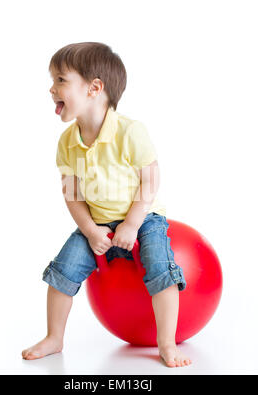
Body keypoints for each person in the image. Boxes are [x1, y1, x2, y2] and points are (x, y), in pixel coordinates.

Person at [22, 42, 191, 367]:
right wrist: (89, 229)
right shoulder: (67, 142)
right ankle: (54, 337)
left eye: (60, 80)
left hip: (144, 217)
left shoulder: (129, 132)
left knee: (161, 268)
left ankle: (167, 343)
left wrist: (131, 223)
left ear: (94, 88)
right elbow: (72, 193)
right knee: (62, 272)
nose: (51, 88)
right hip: (97, 223)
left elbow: (150, 180)